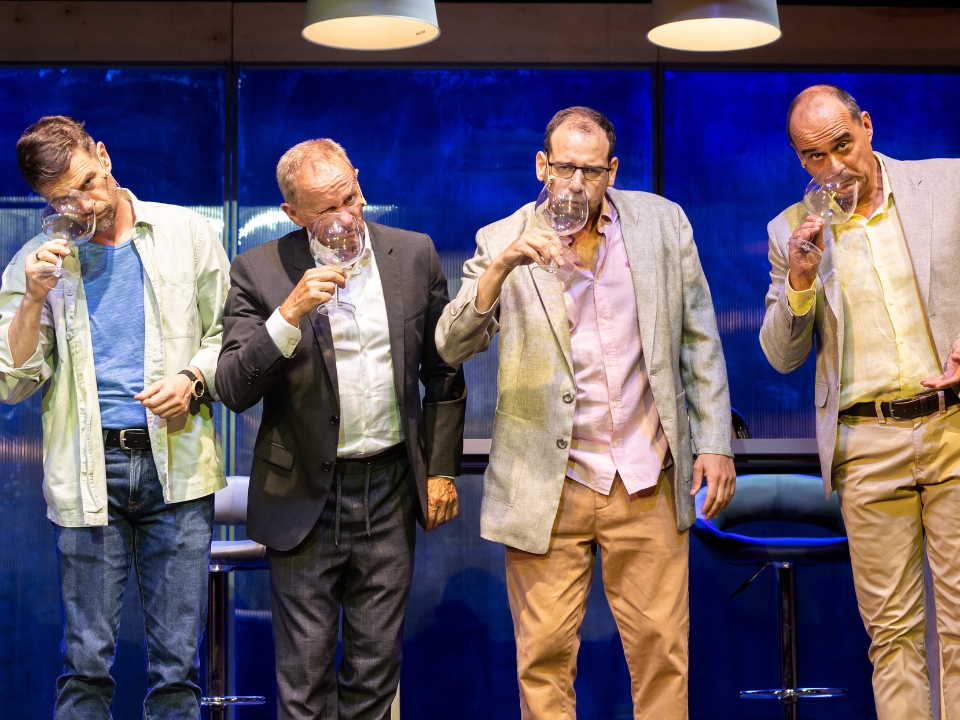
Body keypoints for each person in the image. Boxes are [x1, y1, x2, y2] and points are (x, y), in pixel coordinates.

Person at [436, 106, 736, 720]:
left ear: (612, 171)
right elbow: (451, 343)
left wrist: (714, 441)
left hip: (646, 475)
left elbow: (699, 337)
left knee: (662, 655)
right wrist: (503, 266)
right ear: (541, 165)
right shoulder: (500, 238)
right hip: (548, 483)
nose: (576, 183)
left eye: (591, 171)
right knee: (543, 660)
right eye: (565, 167)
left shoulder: (662, 223)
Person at [216, 139, 467, 720]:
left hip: (390, 487)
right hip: (303, 493)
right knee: (304, 682)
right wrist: (289, 314)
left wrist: (441, 471)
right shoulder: (259, 269)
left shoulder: (413, 253)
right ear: (293, 213)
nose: (346, 217)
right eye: (326, 209)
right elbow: (232, 387)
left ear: (357, 177)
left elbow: (444, 371)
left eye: (350, 198)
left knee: (375, 673)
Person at [0, 116, 230, 718]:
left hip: (175, 461)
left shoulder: (185, 232)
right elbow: (12, 380)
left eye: (87, 183)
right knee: (85, 665)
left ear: (103, 154)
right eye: (62, 200)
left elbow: (228, 334)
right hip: (88, 471)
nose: (83, 205)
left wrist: (192, 380)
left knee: (177, 670)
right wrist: (33, 298)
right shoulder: (36, 261)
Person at [760, 84, 960, 719]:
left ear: (867, 125)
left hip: (953, 425)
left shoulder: (946, 184)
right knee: (892, 633)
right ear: (800, 159)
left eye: (843, 145)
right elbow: (782, 356)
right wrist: (799, 280)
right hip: (866, 443)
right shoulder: (791, 230)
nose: (835, 166)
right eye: (815, 156)